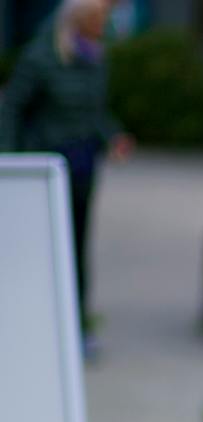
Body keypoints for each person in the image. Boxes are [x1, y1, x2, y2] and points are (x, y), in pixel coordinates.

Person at [0, 0, 133, 331]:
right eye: (97, 19)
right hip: (48, 165)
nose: (102, 26)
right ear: (79, 20)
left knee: (78, 243)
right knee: (45, 245)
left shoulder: (95, 58)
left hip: (83, 164)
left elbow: (94, 112)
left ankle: (77, 320)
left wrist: (112, 136)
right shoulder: (41, 57)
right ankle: (40, 318)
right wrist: (11, 160)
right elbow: (12, 106)